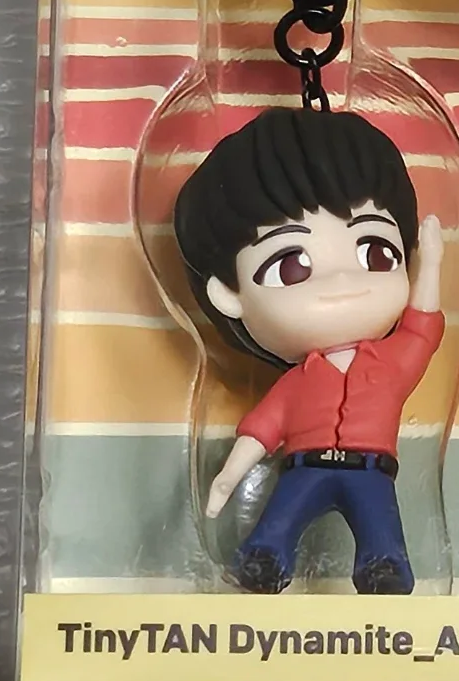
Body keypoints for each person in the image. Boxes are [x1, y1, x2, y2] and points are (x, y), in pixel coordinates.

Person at [174, 107, 444, 595]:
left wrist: (435, 264)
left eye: (375, 253)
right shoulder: (296, 383)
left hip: (371, 473)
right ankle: (262, 561)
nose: (342, 281)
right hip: (304, 467)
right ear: (229, 295)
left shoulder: (392, 366)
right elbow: (260, 433)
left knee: (383, 537)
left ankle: (384, 572)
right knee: (276, 526)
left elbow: (423, 327)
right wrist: (226, 479)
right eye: (291, 266)